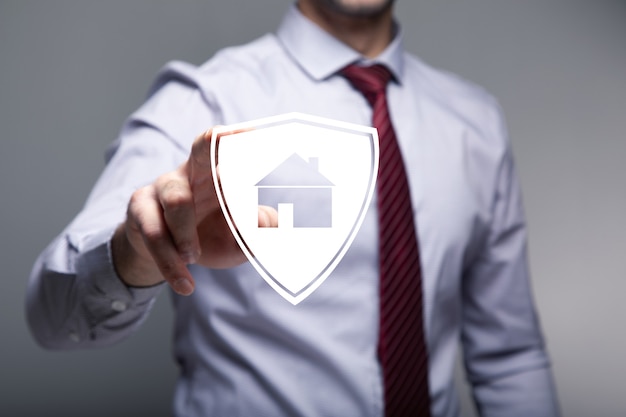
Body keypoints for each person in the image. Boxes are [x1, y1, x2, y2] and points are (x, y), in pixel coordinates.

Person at [26, 0, 561, 416]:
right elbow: (53, 318)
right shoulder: (205, 101)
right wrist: (134, 256)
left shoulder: (476, 125)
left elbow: (510, 357)